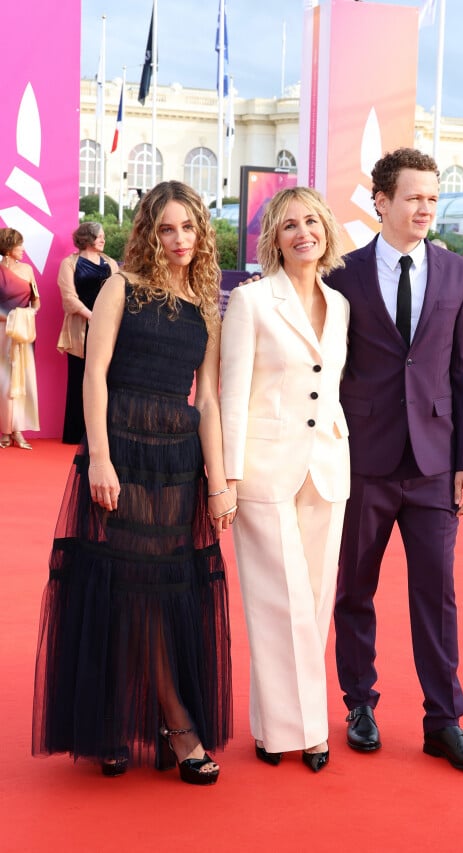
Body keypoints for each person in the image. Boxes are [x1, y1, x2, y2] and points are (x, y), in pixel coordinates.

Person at [32, 181, 233, 785]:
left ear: (202, 233)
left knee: (154, 587)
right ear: (148, 230)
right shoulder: (123, 286)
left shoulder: (205, 303)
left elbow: (212, 401)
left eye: (188, 228)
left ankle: (123, 721)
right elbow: (94, 376)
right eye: (167, 228)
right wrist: (99, 458)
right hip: (120, 450)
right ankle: (172, 724)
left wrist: (218, 483)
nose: (178, 240)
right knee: (125, 582)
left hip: (176, 462)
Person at [327, 148, 463, 773]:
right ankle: (360, 703)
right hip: (363, 460)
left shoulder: (455, 273)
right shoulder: (343, 272)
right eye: (414, 197)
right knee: (356, 590)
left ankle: (444, 720)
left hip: (433, 464)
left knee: (436, 595)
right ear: (382, 201)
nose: (425, 208)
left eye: (432, 197)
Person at [220, 187, 350, 773]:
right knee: (279, 603)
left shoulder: (340, 304)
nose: (304, 232)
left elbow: (332, 385)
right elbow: (231, 395)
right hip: (264, 468)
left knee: (315, 603)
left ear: (326, 230)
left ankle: (275, 726)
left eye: (312, 222)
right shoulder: (250, 302)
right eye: (289, 224)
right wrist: (225, 475)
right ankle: (310, 731)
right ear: (274, 237)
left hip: (326, 465)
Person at [57, 222, 119, 444]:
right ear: (87, 238)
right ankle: (75, 434)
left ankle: (104, 434)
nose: (103, 240)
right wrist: (93, 316)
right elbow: (69, 298)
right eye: (99, 237)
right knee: (78, 378)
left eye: (103, 236)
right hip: (81, 328)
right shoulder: (69, 264)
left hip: (108, 329)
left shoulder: (111, 264)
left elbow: (119, 295)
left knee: (106, 378)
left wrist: (105, 320)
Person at [0, 228, 40, 450]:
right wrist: (10, 318)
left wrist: (30, 313)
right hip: (3, 334)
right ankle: (6, 430)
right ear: (8, 247)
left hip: (24, 334)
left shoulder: (27, 270)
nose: (23, 249)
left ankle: (19, 429)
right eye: (20, 245)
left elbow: (36, 300)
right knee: (5, 383)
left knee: (23, 381)